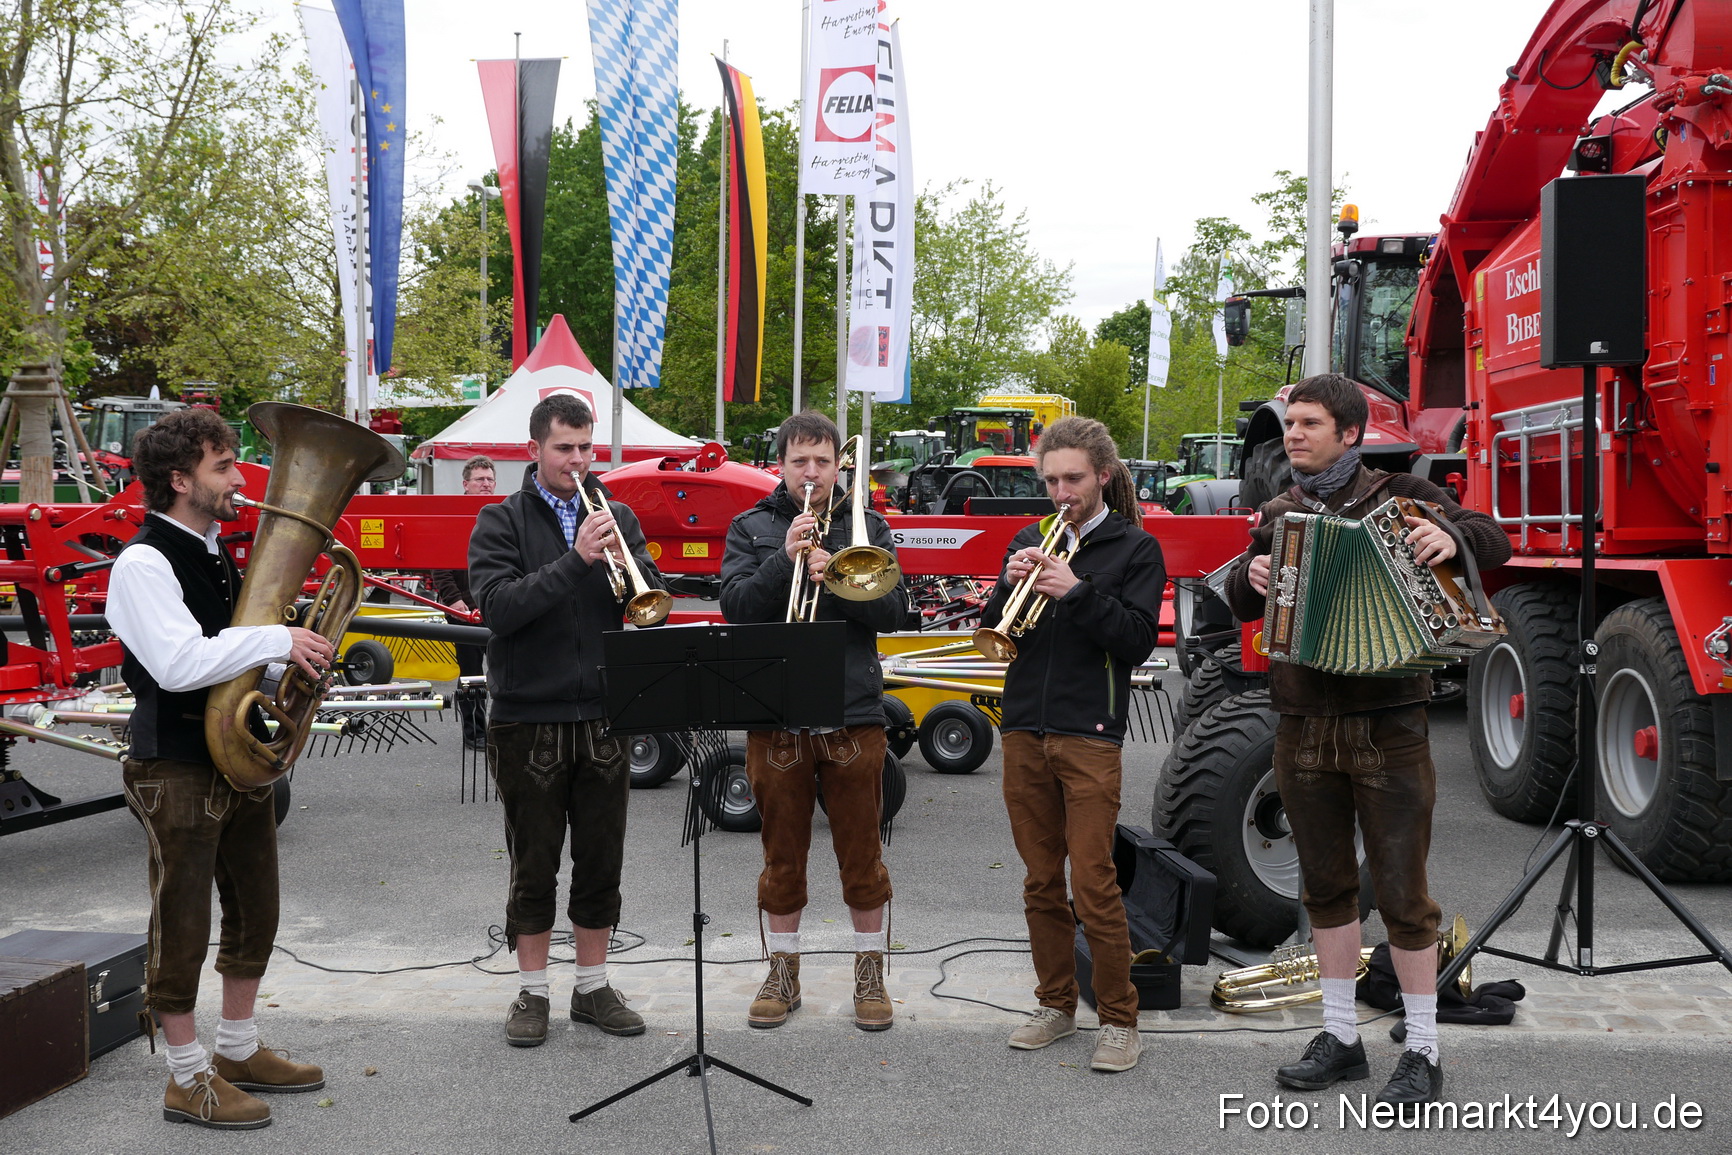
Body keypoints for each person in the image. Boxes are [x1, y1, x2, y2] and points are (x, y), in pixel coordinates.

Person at [1222, 373, 1511, 1106]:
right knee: (1325, 888)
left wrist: (1451, 533)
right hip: (1302, 723)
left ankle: (1421, 1047)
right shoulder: (1282, 510)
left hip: (1389, 720)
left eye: (1310, 423)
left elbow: (1494, 538)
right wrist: (1253, 576)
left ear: (1349, 433)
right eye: (1292, 422)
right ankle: (1342, 1037)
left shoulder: (1403, 492)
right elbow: (1239, 598)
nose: (1294, 433)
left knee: (1405, 894)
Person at [107, 407, 334, 1130]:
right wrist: (274, 636)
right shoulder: (143, 561)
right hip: (173, 763)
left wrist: (289, 662)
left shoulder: (213, 552)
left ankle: (236, 1047)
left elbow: (227, 656)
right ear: (180, 480)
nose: (240, 478)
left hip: (235, 760)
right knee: (184, 925)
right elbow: (178, 665)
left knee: (257, 910)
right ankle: (185, 1076)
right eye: (223, 466)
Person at [467, 393, 666, 1048]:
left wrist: (632, 576)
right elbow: (499, 606)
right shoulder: (500, 520)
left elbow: (646, 595)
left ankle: (592, 985)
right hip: (528, 719)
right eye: (565, 448)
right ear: (534, 451)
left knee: (601, 859)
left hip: (605, 714)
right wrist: (574, 559)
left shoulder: (618, 514)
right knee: (534, 862)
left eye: (586, 448)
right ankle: (531, 990)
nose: (578, 460)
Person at [980, 416, 1165, 1074]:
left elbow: (1138, 637)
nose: (1061, 491)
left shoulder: (1134, 548)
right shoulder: (1030, 538)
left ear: (1103, 477)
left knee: (1092, 881)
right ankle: (1056, 1005)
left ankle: (1119, 1018)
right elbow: (996, 630)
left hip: (1090, 732)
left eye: (1073, 479)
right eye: (1051, 479)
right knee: (1039, 881)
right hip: (1024, 726)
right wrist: (1009, 583)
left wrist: (1077, 591)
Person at [719, 411, 908, 1032]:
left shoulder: (868, 524)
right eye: (800, 461)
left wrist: (838, 576)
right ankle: (783, 971)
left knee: (862, 855)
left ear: (838, 465)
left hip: (853, 713)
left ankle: (869, 973)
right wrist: (786, 558)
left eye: (823, 461)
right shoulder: (751, 528)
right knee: (781, 856)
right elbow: (740, 608)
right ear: (781, 465)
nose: (811, 472)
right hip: (776, 714)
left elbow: (894, 613)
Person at [430, 455, 496, 750]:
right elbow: (438, 565)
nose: (486, 484)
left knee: (505, 674)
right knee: (472, 677)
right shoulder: (451, 515)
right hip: (463, 613)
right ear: (465, 484)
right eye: (480, 479)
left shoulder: (500, 515)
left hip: (496, 609)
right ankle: (475, 734)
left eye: (490, 479)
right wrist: (454, 601)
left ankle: (503, 730)